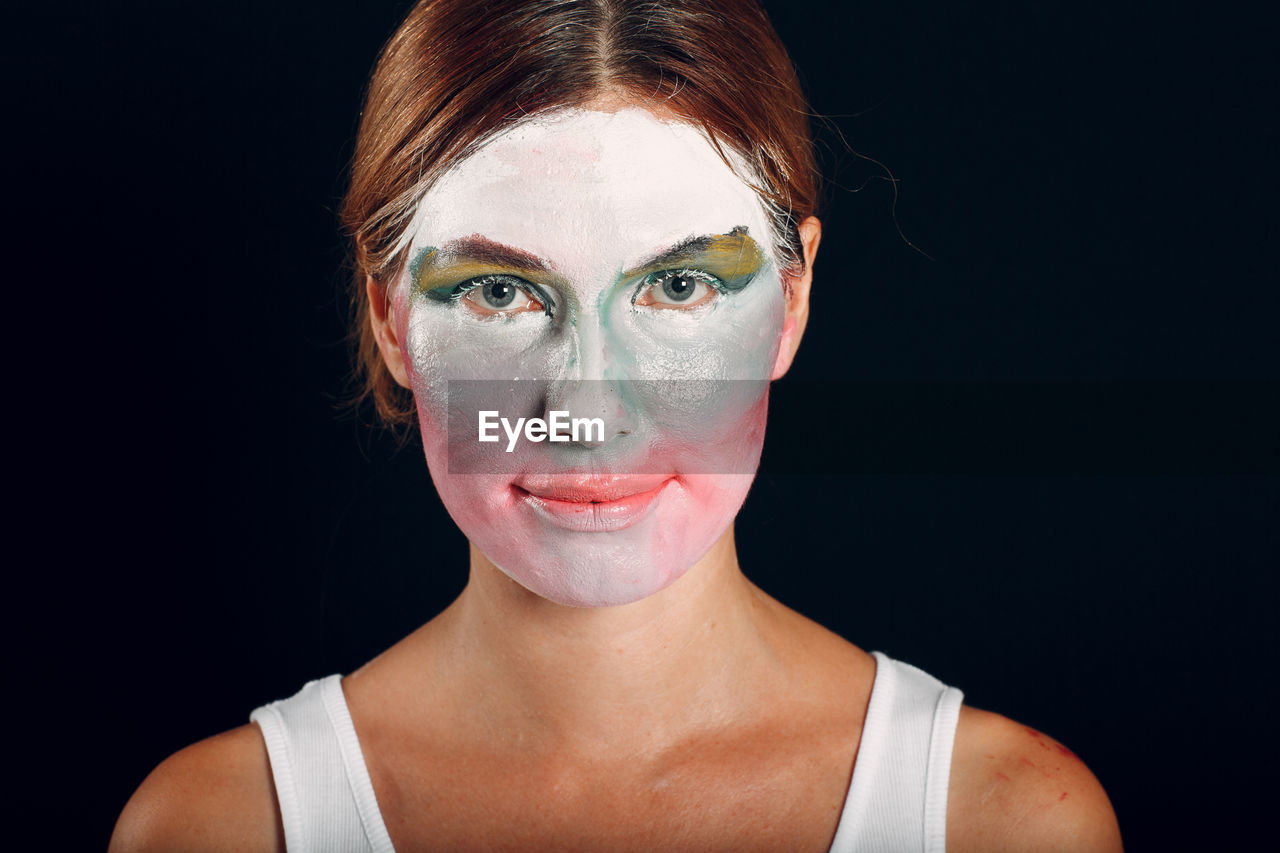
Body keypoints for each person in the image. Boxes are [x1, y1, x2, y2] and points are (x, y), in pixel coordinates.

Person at [111, 1, 1122, 850]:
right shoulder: (221, 827)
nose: (588, 415)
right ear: (389, 318)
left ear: (791, 300)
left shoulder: (1001, 821)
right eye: (501, 292)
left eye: (676, 286)